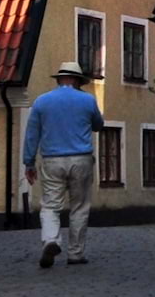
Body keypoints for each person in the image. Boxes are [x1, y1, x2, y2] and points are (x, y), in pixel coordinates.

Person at [22, 60, 105, 267]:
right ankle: (75, 253)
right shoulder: (88, 100)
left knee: (50, 205)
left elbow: (32, 134)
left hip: (52, 160)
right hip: (81, 159)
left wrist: (29, 162)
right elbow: (98, 125)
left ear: (59, 80)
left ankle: (51, 239)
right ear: (78, 81)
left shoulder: (42, 101)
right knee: (79, 207)